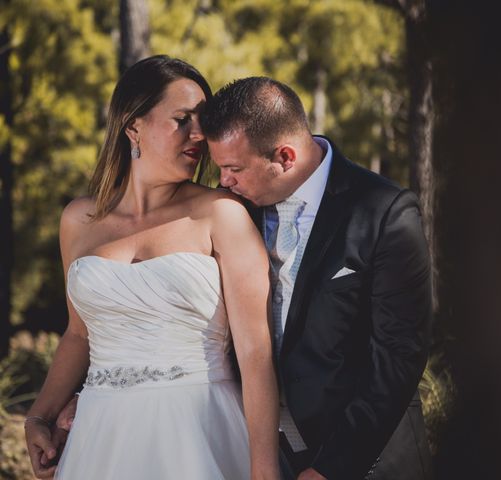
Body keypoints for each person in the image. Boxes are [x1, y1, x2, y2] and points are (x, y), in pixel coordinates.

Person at [23, 56, 279, 480]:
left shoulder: (222, 214)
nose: (199, 134)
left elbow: (256, 355)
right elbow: (78, 333)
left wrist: (264, 472)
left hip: (200, 430)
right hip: (101, 437)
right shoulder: (77, 220)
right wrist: (38, 416)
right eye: (182, 119)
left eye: (203, 120)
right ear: (132, 127)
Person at [202, 77, 432, 480]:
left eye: (233, 168)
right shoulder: (232, 211)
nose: (223, 182)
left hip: (364, 460)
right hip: (255, 454)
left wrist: (331, 468)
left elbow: (398, 355)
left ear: (285, 157)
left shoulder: (384, 212)